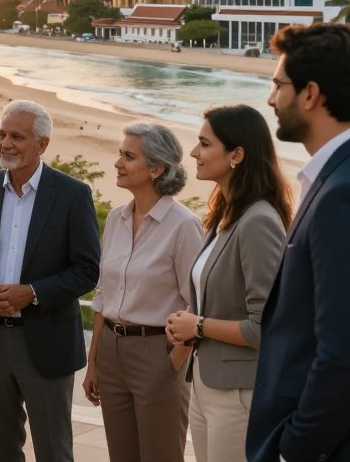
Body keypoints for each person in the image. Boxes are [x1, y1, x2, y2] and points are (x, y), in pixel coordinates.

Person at [246, 23, 350, 462]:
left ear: (310, 94)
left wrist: (294, 449)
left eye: (278, 85)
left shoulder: (349, 193)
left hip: (343, 446)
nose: (271, 99)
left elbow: (346, 356)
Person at [0, 100, 100, 462]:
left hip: (47, 344)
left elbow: (87, 269)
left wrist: (32, 293)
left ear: (42, 144)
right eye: (2, 134)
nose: (5, 143)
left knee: (53, 452)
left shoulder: (72, 194)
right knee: (1, 452)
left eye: (17, 137)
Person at [166, 105, 292, 462]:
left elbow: (264, 327)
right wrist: (187, 323)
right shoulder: (225, 214)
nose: (194, 153)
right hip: (206, 383)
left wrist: (198, 326)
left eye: (205, 144)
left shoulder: (258, 221)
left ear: (236, 155)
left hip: (238, 393)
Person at [84, 122, 203, 462]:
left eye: (129, 156)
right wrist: (94, 361)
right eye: (120, 154)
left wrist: (172, 363)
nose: (118, 163)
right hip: (111, 350)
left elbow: (198, 303)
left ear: (157, 168)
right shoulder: (116, 219)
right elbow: (104, 294)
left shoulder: (183, 225)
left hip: (157, 351)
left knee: (160, 456)